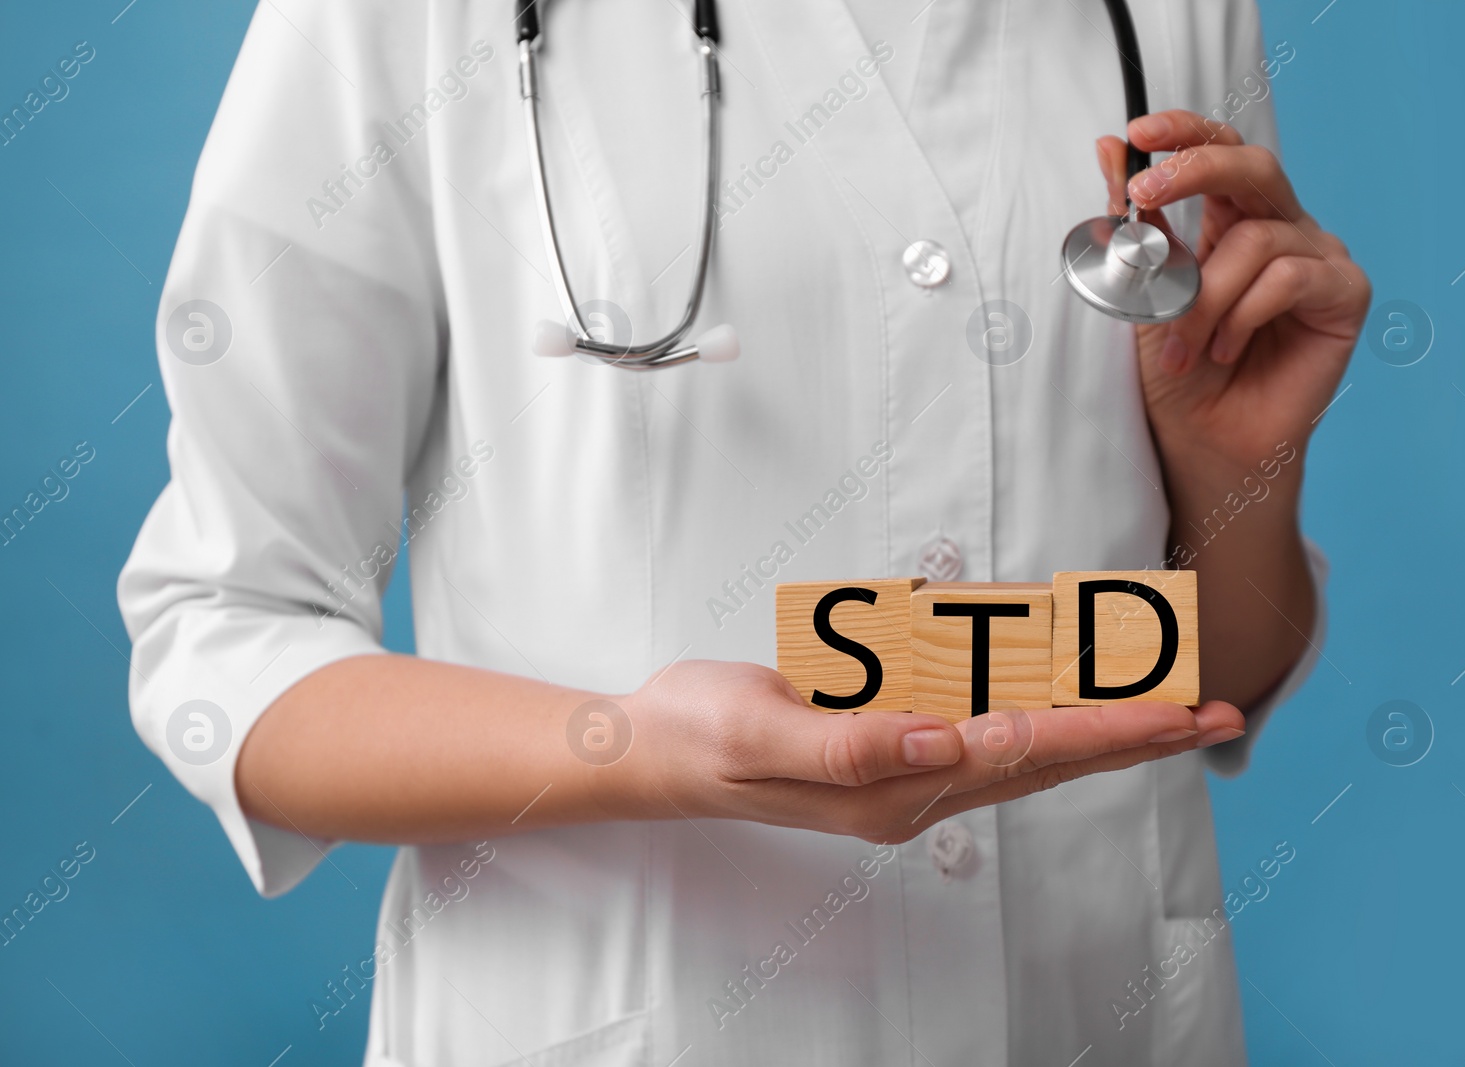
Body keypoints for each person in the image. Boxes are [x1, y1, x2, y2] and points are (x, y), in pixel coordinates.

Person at [118, 0, 1368, 1063]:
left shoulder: (1161, 15)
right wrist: (631, 750)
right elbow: (226, 634)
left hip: (1092, 1008)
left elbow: (1207, 672)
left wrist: (1236, 476)